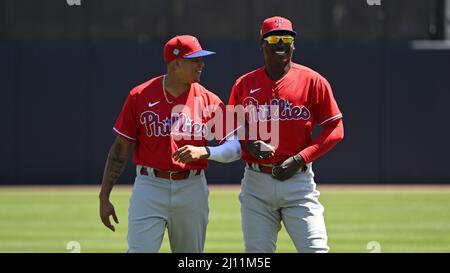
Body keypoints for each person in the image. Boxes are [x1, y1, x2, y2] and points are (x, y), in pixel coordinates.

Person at [99, 35, 233, 253]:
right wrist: (104, 196)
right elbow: (119, 149)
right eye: (195, 59)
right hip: (150, 186)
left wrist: (205, 151)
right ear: (176, 63)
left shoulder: (210, 100)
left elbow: (234, 147)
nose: (201, 64)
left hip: (192, 187)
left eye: (202, 59)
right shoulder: (140, 95)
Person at [227, 16, 344, 253]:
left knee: (316, 250)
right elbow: (227, 127)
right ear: (263, 44)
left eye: (286, 38)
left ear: (294, 45)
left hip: (298, 183)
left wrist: (301, 158)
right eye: (273, 38)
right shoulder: (244, 84)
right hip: (256, 182)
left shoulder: (313, 81)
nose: (280, 43)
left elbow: (336, 129)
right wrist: (247, 142)